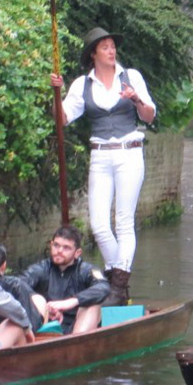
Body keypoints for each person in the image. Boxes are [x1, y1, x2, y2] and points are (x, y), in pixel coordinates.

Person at [50, 28, 157, 306]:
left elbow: (149, 115)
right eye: (106, 47)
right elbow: (62, 119)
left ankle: (118, 287)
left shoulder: (131, 76)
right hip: (100, 154)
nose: (112, 51)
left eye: (113, 46)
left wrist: (135, 99)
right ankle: (116, 277)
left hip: (129, 153)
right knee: (98, 224)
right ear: (93, 54)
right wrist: (55, 93)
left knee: (123, 221)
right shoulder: (81, 85)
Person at [22, 225, 111, 335]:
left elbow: (103, 287)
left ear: (77, 253)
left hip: (78, 326)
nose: (59, 251)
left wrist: (72, 302)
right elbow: (19, 285)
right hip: (46, 326)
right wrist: (44, 308)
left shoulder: (87, 270)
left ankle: (76, 345)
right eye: (56, 245)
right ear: (51, 245)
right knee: (30, 296)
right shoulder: (40, 268)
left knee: (93, 305)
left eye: (66, 248)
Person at [0, 242, 48, 333]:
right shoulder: (15, 285)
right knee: (40, 301)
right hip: (10, 338)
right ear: (4, 266)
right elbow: (32, 324)